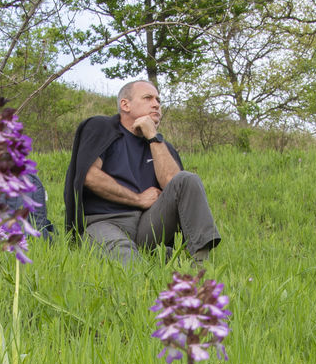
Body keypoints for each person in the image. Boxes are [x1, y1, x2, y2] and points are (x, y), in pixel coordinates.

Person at [63, 80, 221, 264]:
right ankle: (151, 267)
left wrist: (153, 137)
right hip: (104, 221)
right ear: (125, 104)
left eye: (158, 100)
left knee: (187, 179)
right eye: (148, 98)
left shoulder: (161, 146)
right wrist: (138, 199)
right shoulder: (101, 127)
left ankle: (199, 265)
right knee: (127, 259)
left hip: (148, 225)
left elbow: (175, 185)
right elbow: (89, 176)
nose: (156, 104)